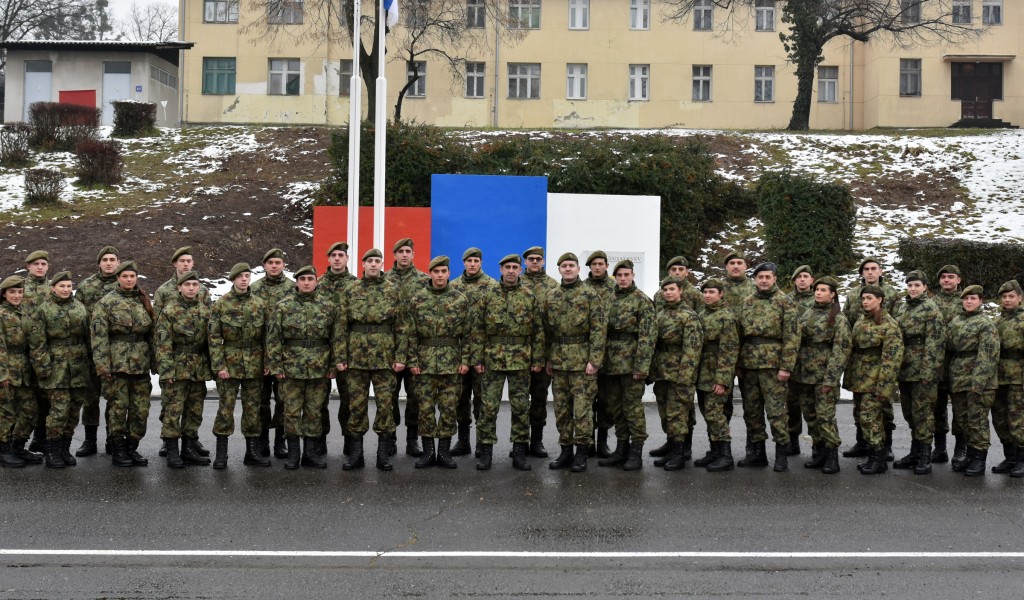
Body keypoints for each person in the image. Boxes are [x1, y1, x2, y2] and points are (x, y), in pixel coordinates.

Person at [471, 253, 545, 471]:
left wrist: (537, 358)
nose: (511, 270)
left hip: (521, 359)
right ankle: (486, 453)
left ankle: (520, 453)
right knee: (488, 407)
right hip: (492, 358)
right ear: (501, 270)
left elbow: (538, 331)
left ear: (520, 270)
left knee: (521, 407)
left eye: (515, 267)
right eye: (507, 267)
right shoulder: (487, 294)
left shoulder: (529, 296)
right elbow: (477, 329)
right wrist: (477, 357)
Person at [267, 265, 343, 470]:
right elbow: (273, 339)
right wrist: (276, 365)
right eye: (303, 279)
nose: (307, 282)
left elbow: (337, 338)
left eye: (310, 278)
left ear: (316, 281)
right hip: (291, 368)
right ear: (297, 282)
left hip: (319, 367)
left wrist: (334, 364)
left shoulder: (328, 307)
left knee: (314, 411)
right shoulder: (283, 306)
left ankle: (310, 453)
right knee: (291, 411)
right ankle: (293, 454)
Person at [340, 248, 410, 471]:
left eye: (377, 261)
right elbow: (341, 327)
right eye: (369, 261)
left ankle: (383, 454)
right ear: (362, 264)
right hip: (356, 358)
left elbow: (402, 327)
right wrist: (341, 356)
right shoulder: (350, 290)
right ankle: (356, 454)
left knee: (385, 406)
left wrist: (400, 357)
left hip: (385, 359)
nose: (373, 264)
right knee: (356, 407)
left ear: (382, 264)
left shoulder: (393, 290)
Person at [406, 256, 472, 469]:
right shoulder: (417, 299)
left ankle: (444, 452)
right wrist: (413, 360)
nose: (440, 275)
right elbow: (411, 334)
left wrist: (465, 360)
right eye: (436, 272)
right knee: (425, 409)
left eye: (444, 271)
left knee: (448, 408)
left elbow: (469, 334)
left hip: (451, 363)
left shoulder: (460, 299)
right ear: (430, 273)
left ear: (448, 273)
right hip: (424, 364)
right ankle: (428, 452)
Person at [544, 252, 607, 473]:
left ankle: (582, 452)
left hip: (582, 363)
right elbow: (547, 332)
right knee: (561, 410)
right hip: (559, 362)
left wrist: (595, 360)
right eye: (564, 266)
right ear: (559, 270)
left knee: (582, 410)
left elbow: (599, 330)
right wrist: (548, 359)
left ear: (579, 269)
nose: (568, 269)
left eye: (571, 265)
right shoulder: (552, 296)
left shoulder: (590, 295)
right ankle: (565, 451)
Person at [90, 261, 156, 467]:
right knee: (118, 408)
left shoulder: (143, 300)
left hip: (140, 365)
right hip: (116, 365)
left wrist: (156, 362)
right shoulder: (106, 302)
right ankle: (118, 448)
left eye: (132, 276)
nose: (129, 279)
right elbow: (98, 337)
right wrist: (102, 367)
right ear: (118, 278)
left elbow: (152, 335)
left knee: (141, 409)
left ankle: (132, 447)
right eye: (125, 276)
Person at [736, 262, 799, 472]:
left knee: (776, 412)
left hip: (773, 366)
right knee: (751, 411)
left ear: (775, 279)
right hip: (749, 365)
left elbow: (792, 337)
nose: (763, 280)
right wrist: (738, 365)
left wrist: (786, 367)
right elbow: (739, 335)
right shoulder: (747, 302)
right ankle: (758, 453)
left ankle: (781, 453)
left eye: (768, 277)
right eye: (760, 277)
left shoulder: (785, 302)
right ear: (754, 279)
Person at [27, 272, 93, 468]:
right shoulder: (44, 310)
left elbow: (88, 338)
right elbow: (37, 343)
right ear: (53, 287)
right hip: (56, 368)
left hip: (78, 367)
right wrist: (43, 368)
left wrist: (91, 364)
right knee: (58, 411)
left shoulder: (79, 307)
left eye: (68, 286)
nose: (65, 290)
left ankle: (65, 449)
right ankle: (52, 451)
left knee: (73, 412)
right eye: (61, 286)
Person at [153, 247, 212, 460]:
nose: (192, 287)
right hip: (176, 364)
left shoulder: (205, 306)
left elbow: (211, 338)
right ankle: (170, 449)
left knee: (195, 408)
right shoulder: (168, 306)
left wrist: (212, 366)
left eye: (195, 284)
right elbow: (161, 340)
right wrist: (165, 369)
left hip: (198, 365)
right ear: (179, 287)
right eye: (187, 284)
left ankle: (189, 445)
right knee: (172, 408)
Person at [209, 263, 269, 469]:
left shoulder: (260, 304)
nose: (244, 279)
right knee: (225, 408)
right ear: (233, 279)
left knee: (253, 408)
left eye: (247, 275)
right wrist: (219, 366)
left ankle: (252, 452)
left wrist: (267, 362)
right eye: (240, 276)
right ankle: (221, 454)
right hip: (230, 362)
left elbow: (268, 337)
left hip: (254, 361)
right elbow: (214, 337)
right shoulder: (221, 304)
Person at [596, 260, 655, 470]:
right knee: (616, 408)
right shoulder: (608, 298)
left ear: (633, 275)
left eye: (626, 274)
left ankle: (636, 452)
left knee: (633, 409)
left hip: (631, 365)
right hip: (610, 365)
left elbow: (648, 337)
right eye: (619, 275)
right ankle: (621, 450)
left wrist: (642, 367)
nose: (622, 278)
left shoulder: (642, 301)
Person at [842, 257, 901, 461]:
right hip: (860, 366)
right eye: (866, 269)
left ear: (880, 271)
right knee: (861, 410)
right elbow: (847, 323)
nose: (870, 272)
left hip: (878, 366)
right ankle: (864, 442)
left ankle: (884, 447)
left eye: (873, 268)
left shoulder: (892, 297)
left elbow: (892, 338)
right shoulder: (853, 296)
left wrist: (886, 381)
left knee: (879, 409)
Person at [791, 276, 851, 475]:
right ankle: (819, 452)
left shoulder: (838, 318)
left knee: (825, 416)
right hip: (804, 374)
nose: (818, 293)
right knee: (810, 415)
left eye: (823, 290)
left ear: (832, 294)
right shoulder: (808, 313)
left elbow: (841, 350)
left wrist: (832, 378)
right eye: (817, 290)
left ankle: (832, 456)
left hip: (824, 375)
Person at [650, 256, 704, 459]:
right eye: (666, 290)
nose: (668, 292)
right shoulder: (660, 309)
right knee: (666, 411)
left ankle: (681, 450)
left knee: (679, 412)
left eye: (681, 269)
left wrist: (686, 374)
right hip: (662, 368)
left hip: (680, 369)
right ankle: (672, 444)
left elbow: (692, 347)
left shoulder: (690, 313)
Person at [893, 270, 945, 475]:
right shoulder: (903, 308)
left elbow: (935, 344)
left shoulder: (931, 309)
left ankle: (925, 455)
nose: (913, 289)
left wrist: (928, 372)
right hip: (905, 369)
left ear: (925, 287)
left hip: (923, 371)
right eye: (910, 285)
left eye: (917, 285)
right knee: (909, 413)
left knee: (923, 414)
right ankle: (915, 452)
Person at [946, 285, 1000, 476]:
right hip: (959, 380)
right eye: (966, 298)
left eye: (973, 298)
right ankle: (969, 455)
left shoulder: (985, 324)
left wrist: (978, 384)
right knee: (963, 421)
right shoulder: (956, 322)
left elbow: (988, 356)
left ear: (981, 301)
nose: (969, 302)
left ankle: (979, 459)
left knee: (977, 421)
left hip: (978, 383)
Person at [449, 247, 497, 458]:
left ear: (481, 262)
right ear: (463, 262)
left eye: (476, 260)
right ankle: (463, 441)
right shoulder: (453, 287)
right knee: (460, 398)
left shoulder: (492, 287)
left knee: (481, 400)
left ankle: (481, 442)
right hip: (458, 352)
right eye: (468, 260)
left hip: (482, 353)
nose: (472, 264)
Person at [73, 245, 120, 457]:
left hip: (118, 352)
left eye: (112, 259)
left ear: (118, 262)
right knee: (90, 398)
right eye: (105, 259)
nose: (109, 263)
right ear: (99, 263)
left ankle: (113, 438)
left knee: (114, 397)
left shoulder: (125, 283)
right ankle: (90, 440)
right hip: (91, 352)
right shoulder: (86, 286)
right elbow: (78, 318)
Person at [385, 238, 429, 457]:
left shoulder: (424, 281)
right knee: (389, 396)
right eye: (400, 251)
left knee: (416, 397)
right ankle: (390, 439)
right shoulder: (384, 280)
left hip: (416, 350)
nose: (404, 254)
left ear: (413, 254)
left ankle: (413, 440)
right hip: (389, 349)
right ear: (394, 254)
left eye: (408, 251)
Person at [693, 278, 740, 472]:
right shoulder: (701, 314)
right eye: (705, 292)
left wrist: (722, 380)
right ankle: (714, 450)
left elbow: (729, 351)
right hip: (702, 372)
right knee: (707, 413)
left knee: (716, 414)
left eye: (711, 292)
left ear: (721, 294)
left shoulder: (726, 317)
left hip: (716, 373)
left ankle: (725, 455)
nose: (707, 295)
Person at [251, 248, 293, 459]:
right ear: (264, 265)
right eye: (270, 263)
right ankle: (262, 441)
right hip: (258, 354)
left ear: (284, 264)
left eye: (278, 262)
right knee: (261, 401)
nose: (274, 266)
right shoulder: (254, 289)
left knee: (283, 400)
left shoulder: (293, 288)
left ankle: (280, 440)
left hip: (286, 354)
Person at [317, 242, 357, 457]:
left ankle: (349, 441)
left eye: (341, 255)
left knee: (348, 398)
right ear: (329, 259)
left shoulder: (355, 285)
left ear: (347, 259)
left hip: (347, 350)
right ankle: (320, 440)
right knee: (319, 398)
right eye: (333, 255)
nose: (337, 259)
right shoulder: (318, 284)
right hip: (321, 350)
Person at [520, 246, 558, 458]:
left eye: (538, 259)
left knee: (539, 397)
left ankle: (537, 441)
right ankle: (520, 441)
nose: (534, 262)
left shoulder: (553, 286)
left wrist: (551, 356)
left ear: (543, 262)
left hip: (543, 353)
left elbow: (555, 325)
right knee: (519, 399)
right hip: (519, 353)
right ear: (525, 262)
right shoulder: (517, 283)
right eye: (531, 259)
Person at [0, 276, 37, 467]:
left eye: (20, 292)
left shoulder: (24, 313)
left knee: (30, 410)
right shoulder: (1, 314)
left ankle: (18, 446)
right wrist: (2, 374)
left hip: (24, 368)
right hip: (7, 368)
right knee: (6, 412)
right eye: (12, 292)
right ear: (4, 294)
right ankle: (3, 450)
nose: (16, 295)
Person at [584, 250, 616, 458]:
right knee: (587, 399)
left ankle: (603, 441)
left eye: (601, 263)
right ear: (589, 267)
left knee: (606, 400)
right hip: (586, 350)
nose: (597, 267)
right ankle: (587, 442)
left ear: (606, 265)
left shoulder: (615, 287)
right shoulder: (582, 288)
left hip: (611, 351)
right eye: (594, 264)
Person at [930, 264, 963, 463]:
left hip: (960, 363)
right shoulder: (933, 302)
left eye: (951, 277)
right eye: (943, 277)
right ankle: (940, 448)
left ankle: (961, 449)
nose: (947, 280)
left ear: (959, 279)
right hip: (938, 362)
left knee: (960, 408)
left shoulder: (966, 300)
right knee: (937, 406)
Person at [783, 264, 816, 456]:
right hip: (791, 359)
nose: (802, 279)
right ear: (794, 281)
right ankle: (792, 441)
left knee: (811, 405)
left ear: (811, 280)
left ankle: (817, 445)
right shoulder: (786, 300)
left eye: (806, 276)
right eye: (799, 277)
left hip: (812, 358)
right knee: (791, 403)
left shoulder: (820, 298)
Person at [993, 280, 1024, 477]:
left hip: (1018, 378)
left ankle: (1021, 459)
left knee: (1017, 420)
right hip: (998, 377)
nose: (1007, 300)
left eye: (1011, 296)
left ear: (1020, 298)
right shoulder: (997, 322)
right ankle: (1010, 457)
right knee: (999, 419)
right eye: (1004, 297)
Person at [22, 250, 50, 454]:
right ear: (28, 266)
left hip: (47, 351)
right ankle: (15, 444)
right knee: (23, 400)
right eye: (36, 264)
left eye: (43, 263)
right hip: (22, 351)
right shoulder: (19, 289)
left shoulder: (53, 288)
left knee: (45, 398)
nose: (40, 267)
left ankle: (40, 440)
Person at [152, 246, 211, 314]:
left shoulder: (203, 290)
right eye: (182, 261)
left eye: (188, 261)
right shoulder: (162, 291)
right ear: (175, 263)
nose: (186, 264)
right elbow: (156, 318)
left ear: (192, 263)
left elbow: (209, 317)